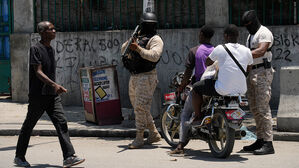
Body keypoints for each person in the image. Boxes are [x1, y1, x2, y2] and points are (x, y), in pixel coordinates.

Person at [171, 24, 253, 154]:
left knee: (196, 89)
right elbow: (248, 70)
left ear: (225, 36)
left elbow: (208, 63)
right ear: (238, 35)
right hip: (241, 90)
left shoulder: (219, 48)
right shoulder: (247, 50)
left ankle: (197, 117)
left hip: (222, 88)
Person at [14, 21, 85, 168]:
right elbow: (38, 71)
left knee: (61, 122)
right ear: (43, 32)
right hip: (38, 95)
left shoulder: (51, 50)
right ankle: (19, 157)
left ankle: (68, 156)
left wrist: (53, 88)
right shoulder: (36, 49)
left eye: (54, 28)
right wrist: (54, 85)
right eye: (51, 29)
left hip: (51, 96)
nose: (54, 30)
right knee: (28, 126)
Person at [121, 12, 164, 149]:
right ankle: (154, 133)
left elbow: (154, 56)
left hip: (147, 76)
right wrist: (131, 41)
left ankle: (139, 137)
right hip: (134, 76)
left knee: (140, 107)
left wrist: (138, 48)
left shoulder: (156, 39)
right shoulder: (138, 37)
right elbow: (123, 50)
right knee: (140, 107)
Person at [170, 25, 215, 154]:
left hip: (200, 88)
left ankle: (180, 146)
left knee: (185, 114)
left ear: (201, 34)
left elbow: (188, 72)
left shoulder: (194, 51)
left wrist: (182, 86)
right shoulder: (216, 50)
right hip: (215, 86)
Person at [242, 10, 275, 155]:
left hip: (262, 72)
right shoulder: (250, 36)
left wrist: (242, 54)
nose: (248, 27)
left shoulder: (264, 33)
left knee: (263, 108)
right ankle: (260, 139)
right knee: (255, 109)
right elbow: (250, 59)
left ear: (255, 21)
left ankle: (268, 143)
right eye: (245, 25)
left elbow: (261, 51)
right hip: (252, 73)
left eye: (249, 24)